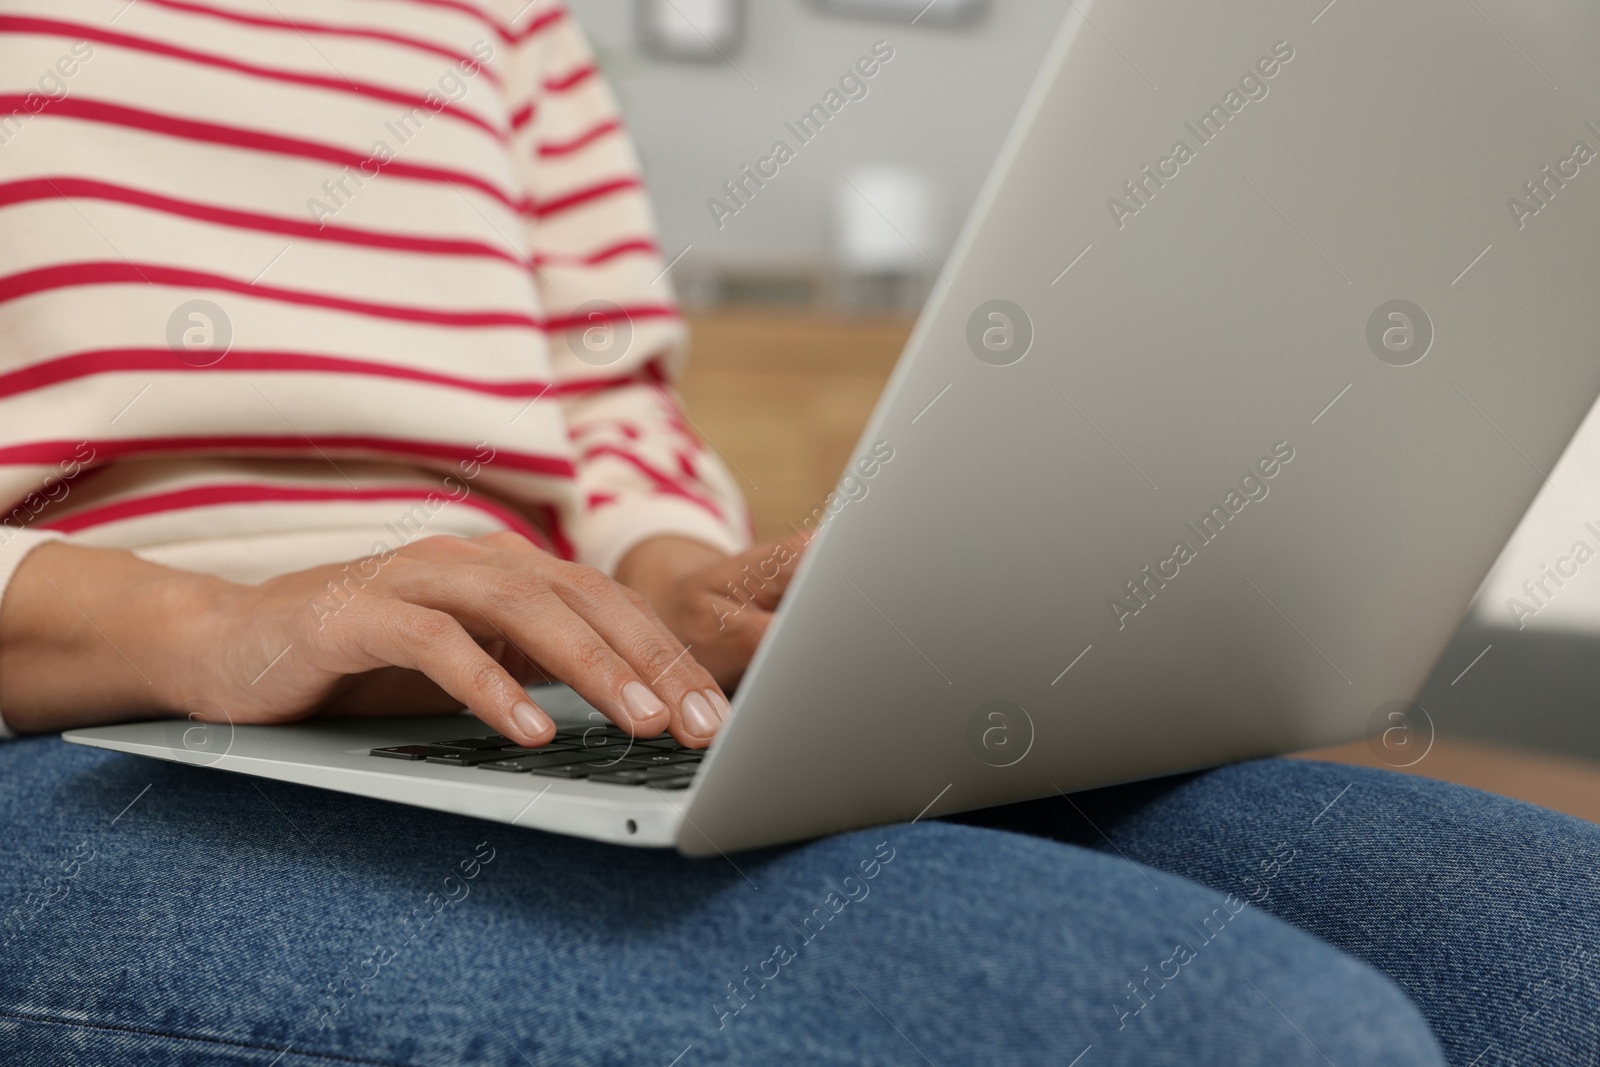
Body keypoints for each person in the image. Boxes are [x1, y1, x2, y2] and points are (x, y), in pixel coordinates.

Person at [0, 4, 1594, 1064]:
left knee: (1546, 949)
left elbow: (607, 404)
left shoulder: (507, 23)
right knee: (1249, 1034)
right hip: (77, 733)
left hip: (516, 699)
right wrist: (197, 628)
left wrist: (687, 580)